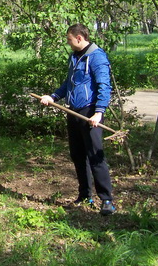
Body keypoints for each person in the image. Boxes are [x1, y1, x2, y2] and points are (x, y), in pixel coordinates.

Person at [39, 24, 116, 216]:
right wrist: (54, 97)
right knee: (77, 155)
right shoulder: (74, 57)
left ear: (79, 38)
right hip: (73, 112)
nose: (68, 42)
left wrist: (98, 112)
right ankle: (85, 195)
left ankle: (106, 200)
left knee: (95, 155)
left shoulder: (97, 57)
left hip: (89, 113)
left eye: (69, 39)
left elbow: (104, 86)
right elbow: (69, 83)